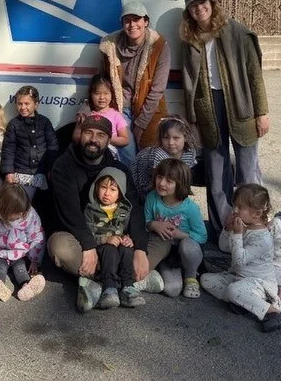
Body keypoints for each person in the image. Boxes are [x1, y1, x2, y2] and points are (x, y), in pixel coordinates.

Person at [47, 113, 163, 313]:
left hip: (118, 240)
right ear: (80, 135)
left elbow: (133, 208)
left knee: (163, 240)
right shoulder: (63, 166)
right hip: (81, 237)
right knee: (59, 247)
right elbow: (70, 213)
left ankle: (99, 282)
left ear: (109, 140)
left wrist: (141, 249)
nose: (93, 139)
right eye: (88, 133)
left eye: (101, 135)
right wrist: (89, 245)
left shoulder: (118, 169)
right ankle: (129, 281)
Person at [180, 0, 269, 237]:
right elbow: (188, 83)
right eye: (194, 6)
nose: (200, 9)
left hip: (241, 104)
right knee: (216, 171)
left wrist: (262, 112)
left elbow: (254, 74)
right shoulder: (189, 39)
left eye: (203, 3)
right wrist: (193, 120)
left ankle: (255, 226)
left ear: (212, 4)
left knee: (247, 169)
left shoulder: (236, 31)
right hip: (208, 107)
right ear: (189, 11)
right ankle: (224, 229)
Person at [200, 184, 281, 332]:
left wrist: (236, 234)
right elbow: (224, 247)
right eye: (235, 206)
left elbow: (239, 261)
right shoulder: (243, 226)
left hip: (259, 284)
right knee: (206, 279)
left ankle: (272, 312)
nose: (235, 211)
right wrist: (228, 229)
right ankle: (244, 303)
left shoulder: (263, 239)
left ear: (256, 213)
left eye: (240, 208)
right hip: (239, 278)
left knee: (233, 291)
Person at [99, 1, 170, 167]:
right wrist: (86, 108)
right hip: (120, 109)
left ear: (146, 22)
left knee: (150, 158)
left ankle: (149, 193)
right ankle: (130, 191)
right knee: (128, 156)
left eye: (137, 19)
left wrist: (140, 124)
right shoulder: (110, 46)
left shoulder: (159, 45)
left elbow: (157, 90)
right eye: (127, 20)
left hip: (149, 110)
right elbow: (100, 82)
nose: (132, 25)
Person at [144, 159, 207, 298]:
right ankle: (161, 268)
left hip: (186, 250)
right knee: (172, 290)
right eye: (160, 177)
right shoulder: (152, 198)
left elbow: (202, 236)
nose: (161, 183)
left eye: (169, 181)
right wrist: (153, 224)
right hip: (164, 250)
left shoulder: (190, 208)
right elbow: (145, 221)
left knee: (188, 246)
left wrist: (181, 235)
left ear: (180, 185)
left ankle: (191, 276)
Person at [83, 168, 144, 309]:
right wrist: (104, 239)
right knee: (109, 250)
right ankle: (109, 288)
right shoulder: (91, 210)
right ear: (96, 188)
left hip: (119, 243)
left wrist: (129, 239)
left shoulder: (125, 209)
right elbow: (88, 233)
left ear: (120, 192)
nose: (106, 193)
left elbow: (129, 229)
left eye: (112, 189)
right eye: (103, 187)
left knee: (127, 250)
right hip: (102, 247)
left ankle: (128, 286)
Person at [0, 85, 58, 200]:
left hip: (42, 172)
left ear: (36, 104)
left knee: (41, 205)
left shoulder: (44, 122)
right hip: (21, 172)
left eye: (27, 103)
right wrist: (8, 171)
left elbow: (53, 146)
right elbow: (8, 149)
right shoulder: (14, 124)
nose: (23, 107)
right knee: (22, 203)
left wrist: (52, 168)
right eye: (19, 103)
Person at [129, 116, 197, 201]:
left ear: (185, 137)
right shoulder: (158, 154)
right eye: (166, 137)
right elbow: (158, 183)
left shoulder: (189, 152)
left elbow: (184, 176)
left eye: (176, 138)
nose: (171, 143)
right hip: (144, 181)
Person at [72, 75, 130, 160]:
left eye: (106, 93)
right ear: (91, 95)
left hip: (109, 156)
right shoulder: (87, 113)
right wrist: (78, 125)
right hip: (88, 153)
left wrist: (105, 139)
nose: (102, 97)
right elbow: (76, 140)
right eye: (97, 93)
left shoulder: (116, 115)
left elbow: (125, 140)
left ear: (111, 95)